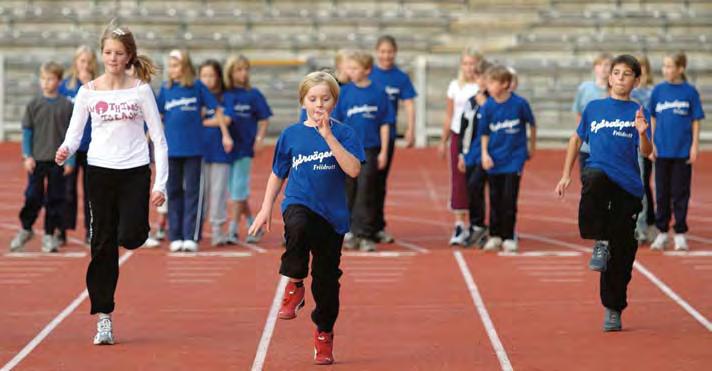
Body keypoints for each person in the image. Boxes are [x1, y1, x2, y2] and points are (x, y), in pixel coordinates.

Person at [55, 20, 168, 345]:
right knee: (102, 245)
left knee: (131, 236)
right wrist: (65, 150)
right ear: (101, 54)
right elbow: (74, 135)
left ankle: (131, 232)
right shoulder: (88, 91)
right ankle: (103, 316)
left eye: (119, 53)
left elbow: (159, 140)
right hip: (100, 172)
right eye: (107, 52)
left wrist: (159, 183)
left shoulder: (140, 89)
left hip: (134, 171)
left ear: (129, 55)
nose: (112, 58)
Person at [249, 71, 364, 365]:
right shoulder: (291, 135)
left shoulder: (346, 133)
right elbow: (278, 173)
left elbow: (353, 170)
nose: (319, 104)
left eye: (325, 99)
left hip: (333, 217)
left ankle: (324, 333)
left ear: (334, 102)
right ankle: (295, 281)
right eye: (313, 99)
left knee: (326, 282)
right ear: (303, 101)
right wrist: (264, 208)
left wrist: (328, 136)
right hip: (299, 202)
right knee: (296, 225)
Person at [555, 55, 652, 332]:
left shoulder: (637, 111)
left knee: (622, 253)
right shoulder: (594, 108)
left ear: (636, 80)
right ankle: (600, 240)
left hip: (628, 186)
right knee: (594, 178)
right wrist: (565, 174)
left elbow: (647, 152)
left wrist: (643, 133)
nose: (621, 78)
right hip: (599, 174)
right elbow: (576, 138)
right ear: (609, 78)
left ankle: (613, 308)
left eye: (627, 74)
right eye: (616, 73)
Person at [157, 49, 220, 252]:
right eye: (170, 66)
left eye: (176, 65)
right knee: (173, 192)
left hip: (194, 149)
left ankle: (191, 235)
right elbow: (157, 114)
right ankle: (175, 235)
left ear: (185, 67)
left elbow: (215, 108)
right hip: (171, 150)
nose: (172, 70)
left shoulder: (198, 87)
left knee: (194, 192)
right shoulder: (166, 89)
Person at [10, 61, 74, 253]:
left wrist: (70, 160)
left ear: (59, 81)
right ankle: (26, 228)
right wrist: (27, 155)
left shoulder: (66, 106)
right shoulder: (34, 104)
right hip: (36, 160)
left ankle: (49, 235)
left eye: (51, 79)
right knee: (32, 196)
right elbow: (27, 131)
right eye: (43, 79)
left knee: (55, 199)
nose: (46, 82)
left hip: (58, 162)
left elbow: (71, 136)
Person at [332, 51, 393, 252]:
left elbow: (385, 123)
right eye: (349, 68)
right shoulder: (345, 93)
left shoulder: (378, 92)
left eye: (355, 68)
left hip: (370, 148)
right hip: (349, 150)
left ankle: (365, 234)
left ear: (367, 70)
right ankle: (349, 231)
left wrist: (384, 151)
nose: (350, 71)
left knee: (366, 190)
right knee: (348, 190)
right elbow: (337, 122)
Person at [649, 52, 705, 251]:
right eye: (664, 66)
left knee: (680, 193)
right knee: (662, 193)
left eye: (670, 66)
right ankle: (662, 232)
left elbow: (696, 120)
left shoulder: (690, 92)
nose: (666, 70)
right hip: (662, 151)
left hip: (682, 152)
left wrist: (694, 146)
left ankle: (680, 233)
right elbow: (653, 118)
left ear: (681, 69)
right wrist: (652, 142)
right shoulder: (658, 91)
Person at [479, 65, 536, 253]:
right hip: (494, 159)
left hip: (514, 159)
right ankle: (495, 235)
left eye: (492, 83)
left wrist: (531, 146)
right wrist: (485, 154)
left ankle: (509, 235)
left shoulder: (519, 104)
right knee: (494, 198)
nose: (488, 86)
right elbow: (484, 132)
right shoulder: (487, 106)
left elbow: (532, 124)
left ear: (504, 84)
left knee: (509, 199)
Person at [369, 35, 417, 243]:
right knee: (361, 182)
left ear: (395, 53)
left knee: (378, 181)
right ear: (376, 52)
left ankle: (377, 226)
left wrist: (411, 129)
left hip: (386, 133)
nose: (386, 55)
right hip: (365, 134)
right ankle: (357, 225)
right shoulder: (368, 73)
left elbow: (408, 104)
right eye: (382, 51)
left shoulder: (400, 77)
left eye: (390, 52)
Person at [222, 54, 272, 244]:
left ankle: (233, 230)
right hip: (226, 149)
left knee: (238, 189)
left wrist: (259, 138)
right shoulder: (224, 94)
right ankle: (254, 224)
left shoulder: (253, 94)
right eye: (238, 69)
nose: (243, 73)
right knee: (236, 192)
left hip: (244, 147)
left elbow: (264, 118)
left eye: (245, 69)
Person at [437, 47, 482, 245]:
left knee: (477, 181)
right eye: (465, 63)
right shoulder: (455, 86)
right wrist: (443, 140)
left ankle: (477, 224)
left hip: (478, 139)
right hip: (458, 136)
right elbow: (449, 115)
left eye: (472, 63)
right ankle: (459, 225)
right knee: (458, 180)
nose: (468, 67)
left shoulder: (482, 87)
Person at [58, 45, 98, 245]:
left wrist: (87, 86)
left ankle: (90, 230)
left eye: (89, 61)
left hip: (93, 145)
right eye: (82, 61)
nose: (85, 65)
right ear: (76, 62)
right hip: (71, 146)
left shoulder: (99, 85)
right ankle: (62, 229)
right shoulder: (65, 86)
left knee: (91, 191)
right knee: (67, 189)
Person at [197, 59, 234, 246]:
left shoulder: (225, 97)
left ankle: (218, 230)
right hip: (198, 151)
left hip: (219, 151)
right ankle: (195, 230)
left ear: (218, 77)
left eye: (211, 75)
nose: (208, 80)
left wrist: (202, 122)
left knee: (219, 192)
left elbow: (226, 119)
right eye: (204, 75)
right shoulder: (195, 95)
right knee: (199, 192)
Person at [458, 58, 493, 247]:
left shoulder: (494, 102)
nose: (481, 81)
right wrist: (461, 154)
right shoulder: (470, 102)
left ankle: (496, 227)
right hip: (471, 153)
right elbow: (464, 128)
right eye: (478, 76)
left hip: (488, 153)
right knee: (472, 190)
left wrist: (486, 104)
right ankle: (476, 225)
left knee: (486, 188)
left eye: (486, 77)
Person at [573, 53, 612, 174]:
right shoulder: (585, 88)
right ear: (595, 67)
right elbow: (578, 113)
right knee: (587, 181)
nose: (603, 68)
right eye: (600, 64)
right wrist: (584, 134)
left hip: (608, 147)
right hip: (587, 147)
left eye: (607, 65)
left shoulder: (616, 90)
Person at [631, 55, 657, 244]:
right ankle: (639, 224)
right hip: (631, 143)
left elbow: (655, 118)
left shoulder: (652, 92)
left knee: (644, 184)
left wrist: (653, 143)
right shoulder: (629, 92)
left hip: (647, 143)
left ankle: (646, 224)